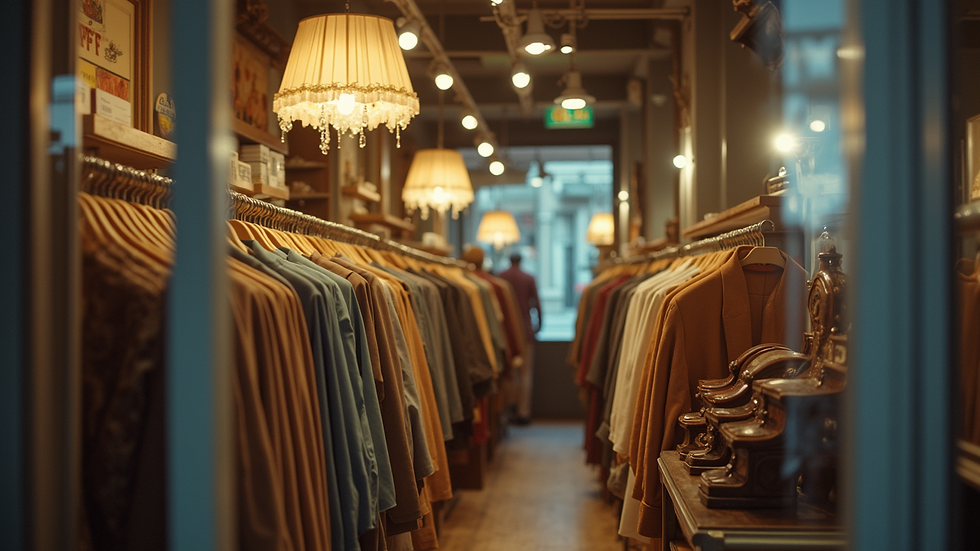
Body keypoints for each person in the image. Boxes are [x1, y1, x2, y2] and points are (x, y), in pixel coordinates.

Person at [497, 252, 541, 425]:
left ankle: (507, 410)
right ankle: (523, 412)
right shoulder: (528, 278)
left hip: (505, 330)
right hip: (525, 328)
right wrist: (538, 326)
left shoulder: (501, 277)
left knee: (508, 371)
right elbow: (536, 304)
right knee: (525, 372)